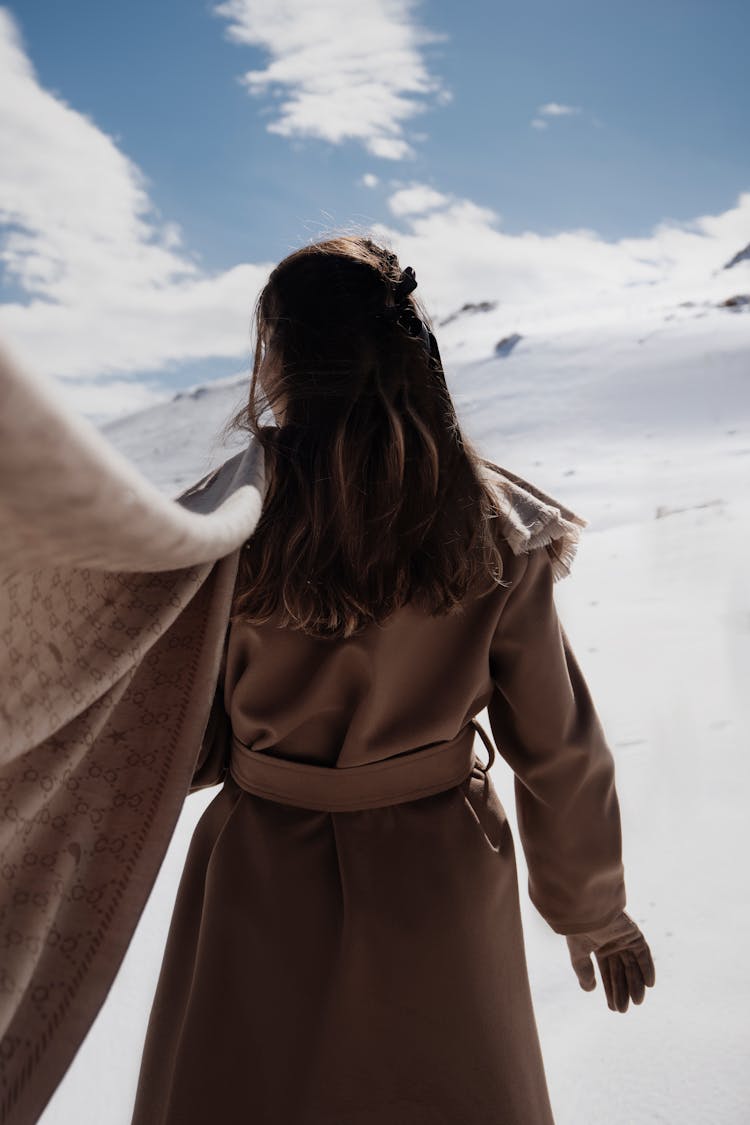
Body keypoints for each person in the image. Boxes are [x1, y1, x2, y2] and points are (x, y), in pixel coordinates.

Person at [128, 235, 655, 1125]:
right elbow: (557, 746)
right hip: (439, 871)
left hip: (258, 873)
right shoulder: (489, 517)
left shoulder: (224, 518)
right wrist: (593, 909)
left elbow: (163, 728)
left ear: (280, 353)